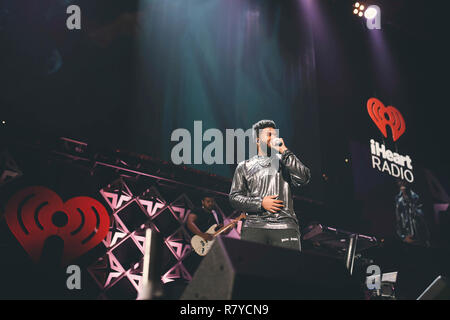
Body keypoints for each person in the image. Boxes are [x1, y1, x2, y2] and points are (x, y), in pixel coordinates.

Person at [229, 120, 311, 251]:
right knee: (251, 270)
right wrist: (260, 203)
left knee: (289, 270)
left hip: (285, 225)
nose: (273, 138)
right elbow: (234, 197)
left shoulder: (285, 161)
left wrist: (284, 151)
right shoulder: (244, 166)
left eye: (275, 135)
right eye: (268, 135)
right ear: (257, 140)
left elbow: (304, 177)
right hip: (254, 227)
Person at [395, 180, 431, 247]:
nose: (402, 183)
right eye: (399, 180)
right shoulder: (398, 200)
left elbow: (425, 220)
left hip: (422, 240)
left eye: (404, 181)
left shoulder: (417, 197)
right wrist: (403, 237)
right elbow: (398, 221)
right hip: (408, 242)